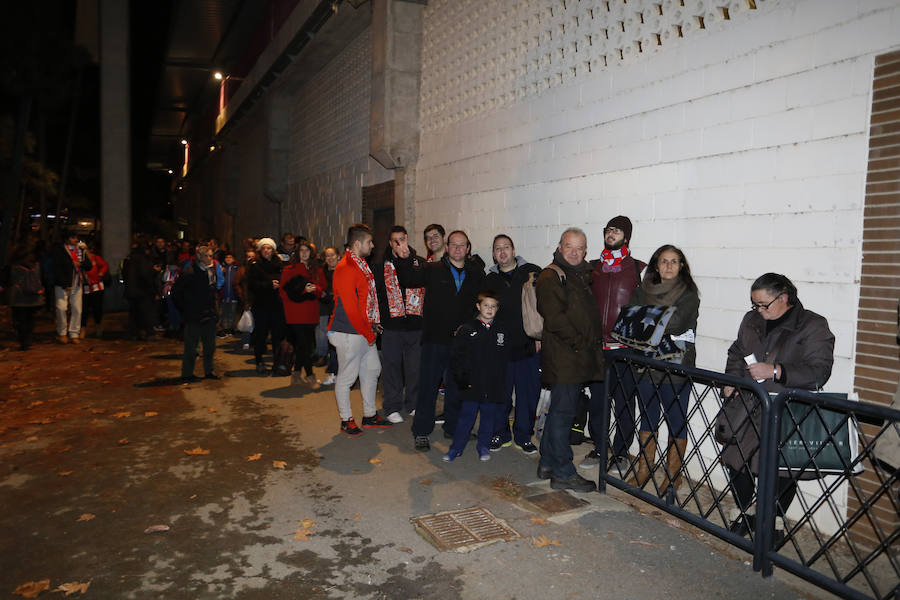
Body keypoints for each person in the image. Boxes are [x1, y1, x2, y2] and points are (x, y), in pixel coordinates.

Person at [719, 273, 834, 537]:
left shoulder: (812, 325)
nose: (758, 311)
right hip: (749, 403)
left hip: (787, 408)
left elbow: (819, 371)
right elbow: (737, 352)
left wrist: (777, 370)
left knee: (782, 469)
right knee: (736, 460)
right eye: (754, 305)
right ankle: (746, 512)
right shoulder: (752, 320)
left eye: (763, 305)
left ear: (783, 297)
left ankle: (773, 521)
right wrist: (732, 379)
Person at [393, 229, 486, 451]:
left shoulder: (476, 274)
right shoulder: (432, 269)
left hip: (461, 344)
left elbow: (482, 305)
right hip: (435, 340)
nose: (457, 248)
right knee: (428, 388)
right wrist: (404, 259)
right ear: (446, 247)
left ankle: (452, 428)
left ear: (468, 249)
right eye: (453, 244)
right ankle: (421, 431)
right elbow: (408, 280)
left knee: (456, 389)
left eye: (462, 245)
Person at [625, 245, 700, 499]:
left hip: (677, 366)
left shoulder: (689, 294)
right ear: (656, 265)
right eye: (664, 261)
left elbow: (678, 323)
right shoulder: (641, 290)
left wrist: (647, 319)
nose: (669, 266)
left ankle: (673, 476)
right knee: (647, 419)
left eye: (675, 261)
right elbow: (630, 321)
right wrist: (658, 320)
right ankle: (644, 469)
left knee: (676, 421)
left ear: (682, 266)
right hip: (646, 364)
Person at [535, 227, 604, 493]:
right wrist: (581, 343)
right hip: (565, 357)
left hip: (574, 356)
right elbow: (554, 319)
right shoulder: (551, 276)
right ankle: (563, 472)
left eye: (580, 248)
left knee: (559, 413)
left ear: (586, 250)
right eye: (569, 247)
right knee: (564, 415)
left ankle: (548, 463)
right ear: (560, 247)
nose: (574, 253)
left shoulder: (579, 274)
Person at [580, 216, 647, 470]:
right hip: (597, 348)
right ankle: (599, 448)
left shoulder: (639, 269)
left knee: (625, 403)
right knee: (598, 401)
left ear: (626, 236)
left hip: (625, 349)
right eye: (608, 229)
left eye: (617, 230)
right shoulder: (592, 267)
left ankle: (620, 453)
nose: (611, 233)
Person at [328, 224, 391, 434]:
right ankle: (346, 420)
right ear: (357, 244)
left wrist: (371, 326)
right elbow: (350, 308)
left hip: (362, 331)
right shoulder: (346, 267)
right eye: (369, 242)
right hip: (348, 331)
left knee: (372, 369)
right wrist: (367, 333)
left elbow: (366, 302)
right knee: (347, 378)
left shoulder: (360, 265)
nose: (372, 246)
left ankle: (369, 415)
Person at [483, 234, 541, 454]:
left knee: (527, 395)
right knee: (499, 394)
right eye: (497, 249)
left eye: (506, 247)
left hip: (527, 346)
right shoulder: (488, 280)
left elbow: (543, 307)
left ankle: (524, 436)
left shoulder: (532, 272)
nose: (502, 252)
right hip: (498, 349)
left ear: (514, 249)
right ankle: (499, 433)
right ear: (494, 254)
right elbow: (481, 312)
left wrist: (539, 338)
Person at [444, 290, 509, 462]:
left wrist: (501, 382)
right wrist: (463, 380)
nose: (489, 309)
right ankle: (456, 448)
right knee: (466, 418)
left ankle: (483, 447)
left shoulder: (501, 331)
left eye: (493, 306)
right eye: (486, 305)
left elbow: (504, 359)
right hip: (472, 384)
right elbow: (457, 357)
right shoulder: (467, 329)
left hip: (492, 385)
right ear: (478, 307)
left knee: (488, 418)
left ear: (497, 309)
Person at [374, 226, 425, 424]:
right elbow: (376, 295)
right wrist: (376, 318)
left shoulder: (419, 263)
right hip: (392, 326)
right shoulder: (380, 266)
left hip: (415, 324)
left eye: (401, 239)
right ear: (389, 243)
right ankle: (392, 405)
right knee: (392, 367)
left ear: (407, 238)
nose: (398, 243)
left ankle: (413, 403)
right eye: (394, 240)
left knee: (414, 368)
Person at [171, 245, 220, 382]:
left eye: (211, 255)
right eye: (207, 256)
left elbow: (212, 292)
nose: (210, 258)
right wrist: (186, 309)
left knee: (210, 346)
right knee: (191, 348)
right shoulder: (190, 272)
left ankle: (209, 371)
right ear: (200, 257)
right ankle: (187, 373)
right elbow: (176, 292)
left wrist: (215, 311)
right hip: (194, 315)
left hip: (208, 314)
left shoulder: (210, 271)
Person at [281, 241, 326, 387]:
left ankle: (296, 374)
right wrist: (302, 291)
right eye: (301, 250)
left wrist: (315, 289)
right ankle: (310, 375)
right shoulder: (290, 269)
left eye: (307, 250)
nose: (304, 253)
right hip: (295, 312)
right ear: (297, 252)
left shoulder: (316, 270)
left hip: (311, 312)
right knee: (305, 345)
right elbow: (283, 292)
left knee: (303, 345)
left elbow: (322, 289)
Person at [247, 238, 286, 375]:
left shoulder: (279, 264)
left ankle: (277, 362)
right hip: (261, 305)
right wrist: (269, 285)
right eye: (263, 248)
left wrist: (281, 284)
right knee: (260, 335)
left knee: (277, 336)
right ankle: (259, 361)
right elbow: (252, 285)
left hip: (277, 305)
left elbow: (285, 279)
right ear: (260, 250)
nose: (266, 251)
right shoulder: (255, 265)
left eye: (269, 248)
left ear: (273, 250)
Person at [49, 231, 92, 343]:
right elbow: (57, 268)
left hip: (77, 283)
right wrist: (64, 283)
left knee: (77, 309)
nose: (76, 240)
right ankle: (62, 332)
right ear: (67, 239)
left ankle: (74, 333)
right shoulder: (59, 250)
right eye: (73, 238)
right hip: (62, 284)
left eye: (76, 238)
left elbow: (89, 266)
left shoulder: (80, 250)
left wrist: (80, 263)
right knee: (61, 308)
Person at [8, 243, 44, 350]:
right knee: (30, 320)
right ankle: (28, 339)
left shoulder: (14, 266)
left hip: (18, 298)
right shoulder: (36, 265)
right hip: (34, 298)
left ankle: (23, 341)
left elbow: (11, 280)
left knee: (20, 320)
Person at [123, 242, 159, 340]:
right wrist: (154, 271)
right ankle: (149, 333)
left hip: (132, 290)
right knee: (146, 312)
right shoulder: (142, 259)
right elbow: (145, 274)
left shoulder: (129, 259)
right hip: (142, 291)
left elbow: (124, 273)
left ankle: (135, 333)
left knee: (134, 313)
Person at [315, 246, 340, 383]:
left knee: (337, 342)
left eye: (332, 255)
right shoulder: (322, 272)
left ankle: (335, 369)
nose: (330, 258)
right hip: (326, 309)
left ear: (338, 256)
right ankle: (332, 368)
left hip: (339, 311)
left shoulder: (342, 271)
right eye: (327, 256)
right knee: (329, 339)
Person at [81, 242, 110, 338]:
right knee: (83, 309)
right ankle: (83, 328)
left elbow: (105, 265)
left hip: (97, 287)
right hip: (84, 288)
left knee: (97, 308)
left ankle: (98, 326)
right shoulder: (80, 260)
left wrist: (101, 273)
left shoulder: (95, 258)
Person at [218, 252, 240, 336]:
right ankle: (225, 328)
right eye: (227, 257)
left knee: (233, 312)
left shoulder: (236, 269)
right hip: (224, 294)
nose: (228, 259)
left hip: (233, 294)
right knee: (224, 312)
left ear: (233, 259)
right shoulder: (222, 269)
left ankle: (232, 328)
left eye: (230, 257)